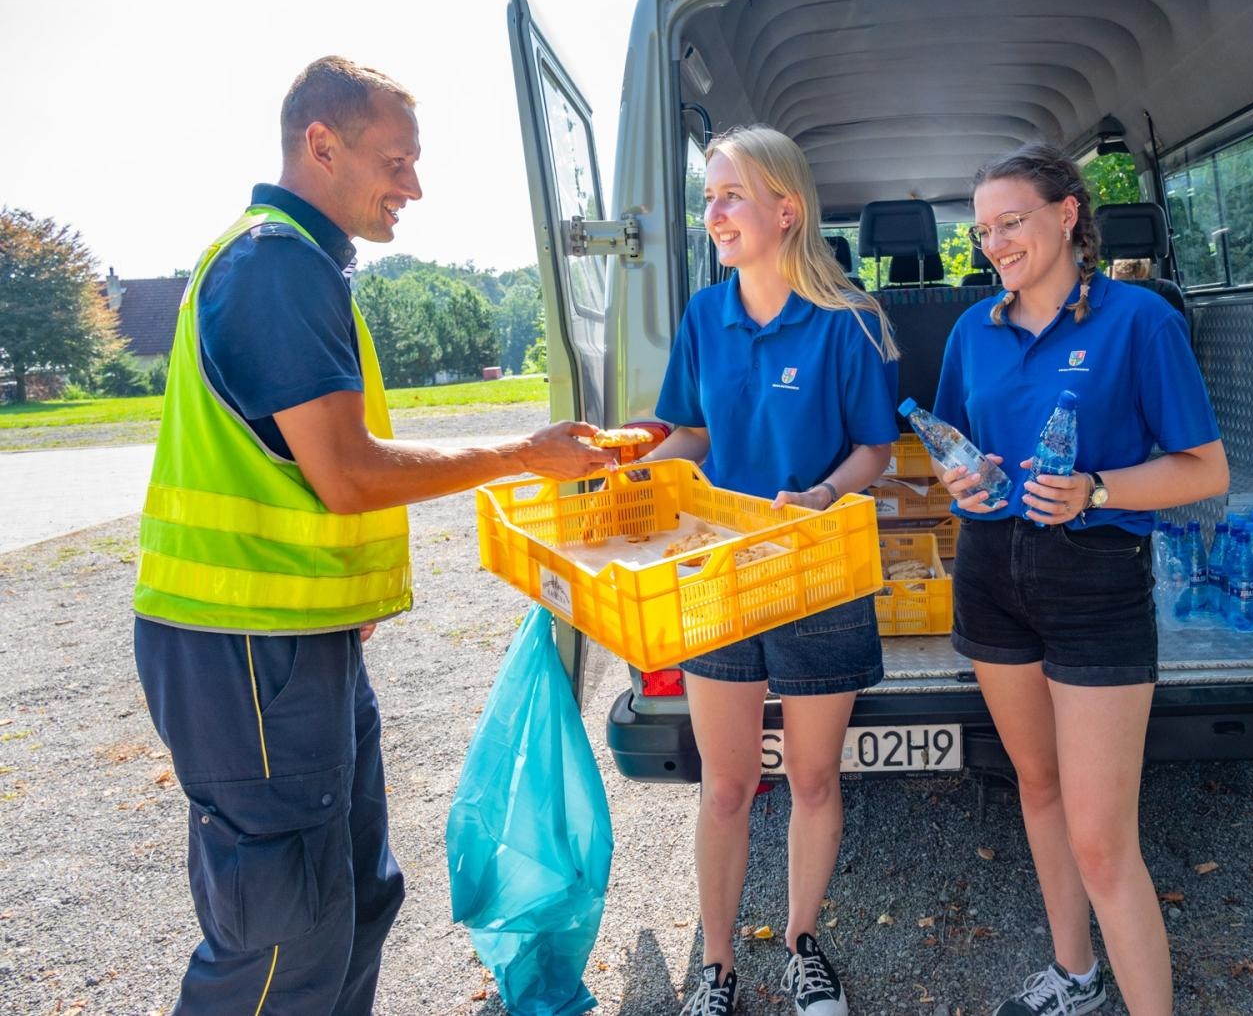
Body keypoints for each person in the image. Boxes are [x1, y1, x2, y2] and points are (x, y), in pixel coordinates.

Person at [130, 56, 614, 1015]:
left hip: (293, 642)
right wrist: (523, 453)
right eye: (397, 161)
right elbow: (346, 474)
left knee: (355, 900)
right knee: (285, 936)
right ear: (321, 145)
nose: (414, 187)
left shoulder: (301, 266)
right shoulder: (275, 265)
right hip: (246, 649)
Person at [932, 142, 1229, 1016]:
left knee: (1103, 842)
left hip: (1095, 576)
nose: (995, 243)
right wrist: (964, 473)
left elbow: (1204, 471)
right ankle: (1074, 974)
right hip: (990, 569)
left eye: (1011, 221)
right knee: (1038, 786)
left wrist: (1097, 488)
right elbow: (953, 442)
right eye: (984, 229)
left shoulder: (1140, 321)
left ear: (1067, 216)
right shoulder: (972, 331)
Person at [643, 124, 899, 1016]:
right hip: (721, 574)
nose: (711, 213)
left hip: (817, 573)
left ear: (784, 210)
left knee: (814, 779)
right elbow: (690, 434)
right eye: (708, 196)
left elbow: (877, 450)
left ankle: (799, 943)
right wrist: (636, 465)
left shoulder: (850, 321)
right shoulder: (703, 318)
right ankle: (716, 967)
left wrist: (825, 493)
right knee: (726, 784)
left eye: (729, 195)